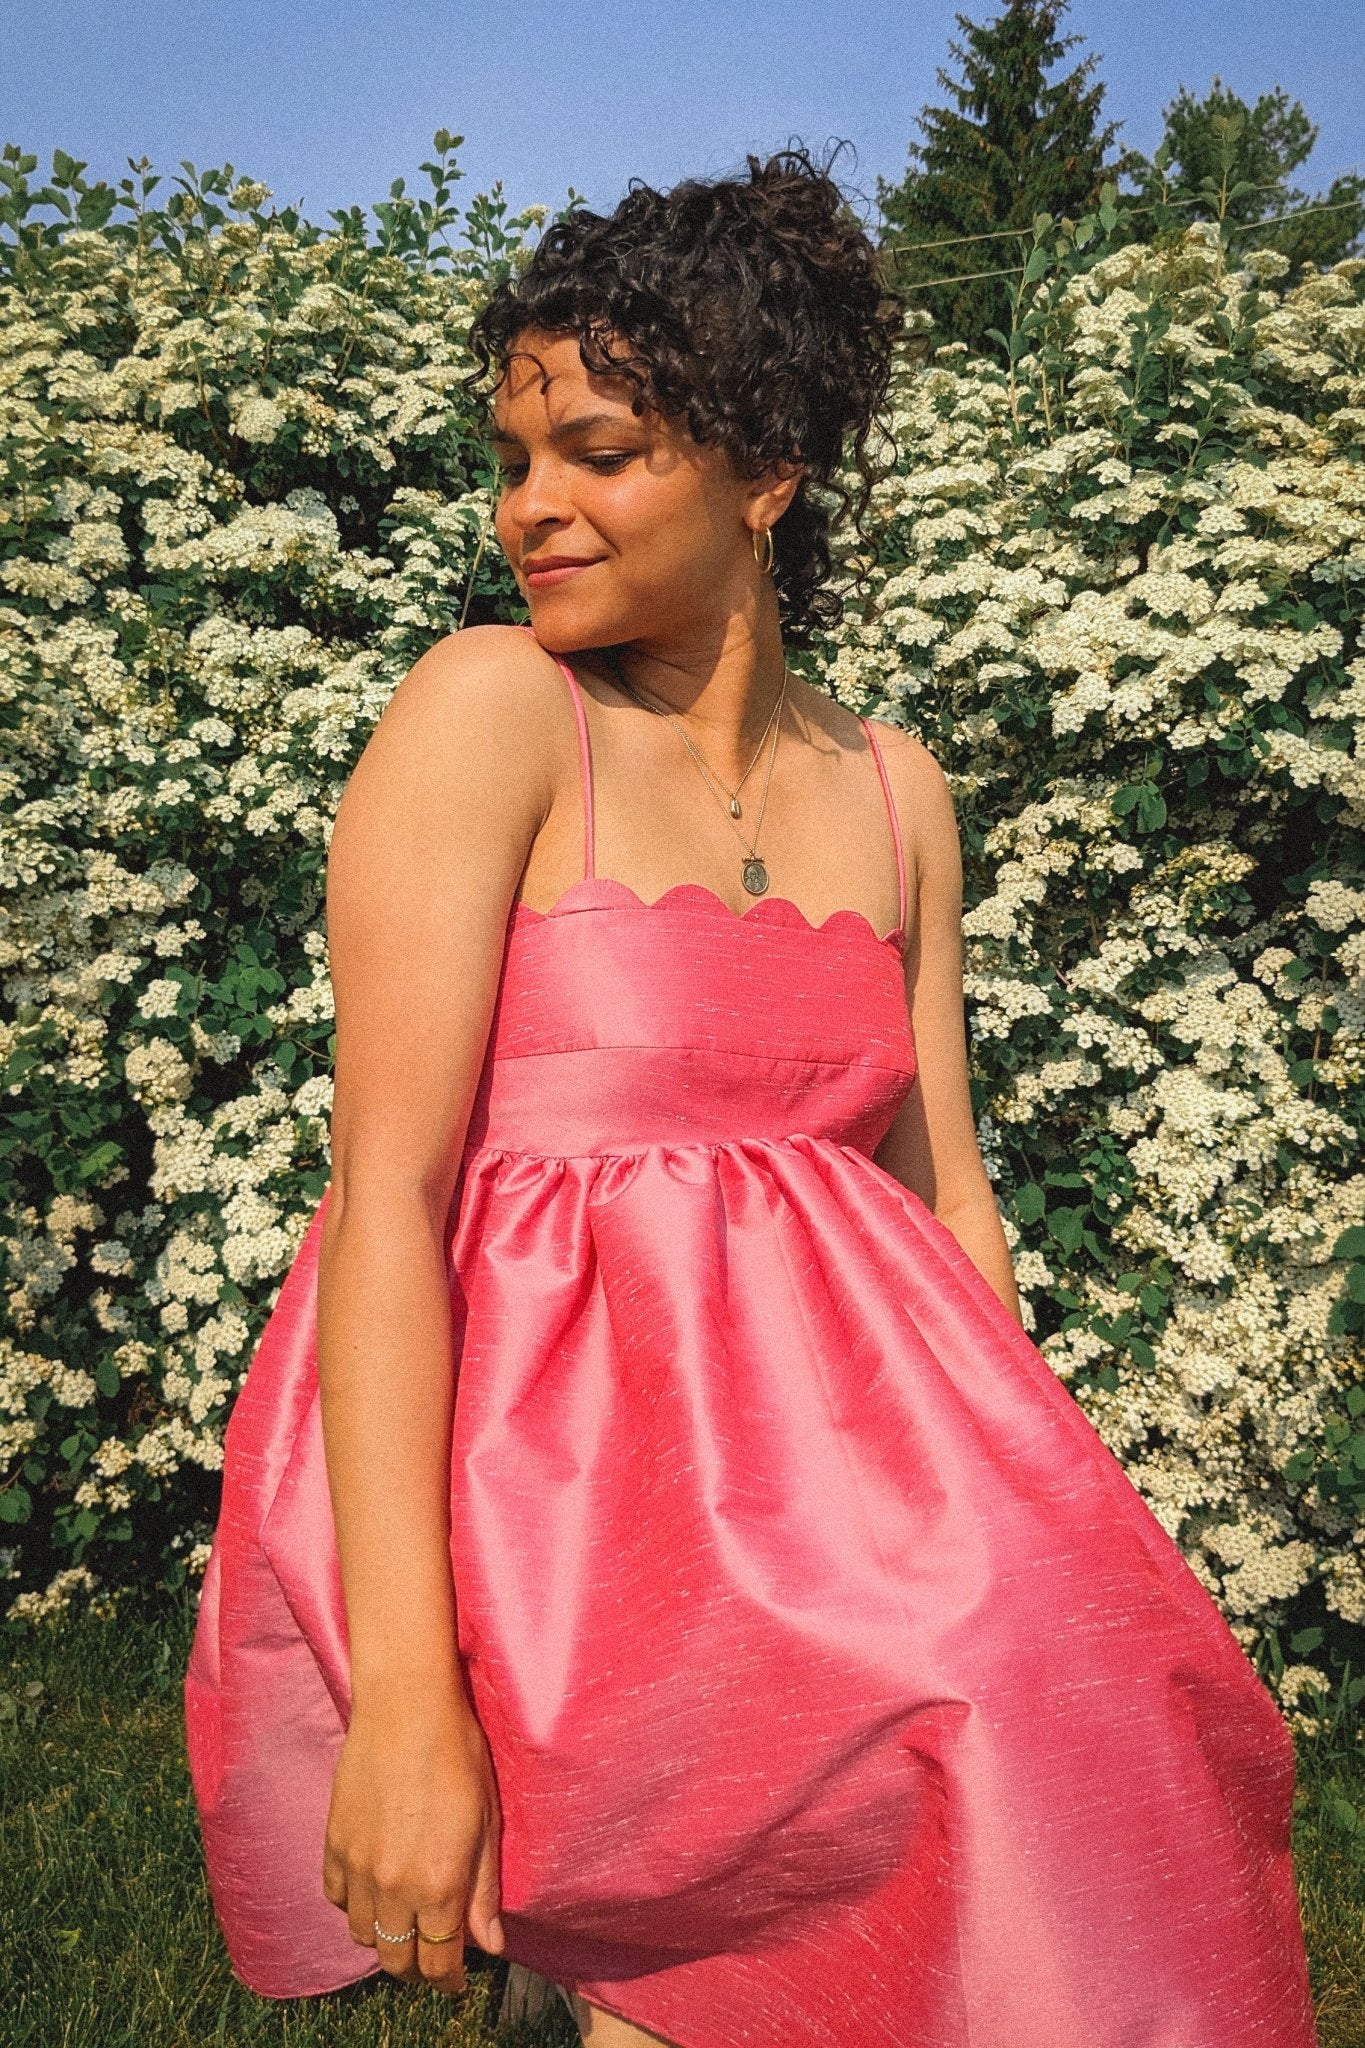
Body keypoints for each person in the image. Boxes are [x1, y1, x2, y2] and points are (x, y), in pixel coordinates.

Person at [184, 147, 1319, 2048]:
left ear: (766, 473)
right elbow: (385, 1203)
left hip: (844, 1519)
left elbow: (941, 1199)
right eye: (511, 459)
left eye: (599, 453)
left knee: (1116, 1768)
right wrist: (409, 1701)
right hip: (564, 1534)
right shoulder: (494, 709)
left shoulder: (894, 789)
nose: (529, 508)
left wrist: (1036, 1546)